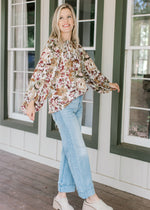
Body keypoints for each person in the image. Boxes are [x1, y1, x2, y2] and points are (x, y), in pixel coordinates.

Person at [21, 3, 120, 210]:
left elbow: (91, 71)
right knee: (79, 150)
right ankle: (90, 198)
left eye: (68, 17)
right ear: (56, 23)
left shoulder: (77, 48)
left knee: (69, 150)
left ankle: (61, 197)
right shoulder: (52, 45)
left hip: (76, 104)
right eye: (61, 18)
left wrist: (106, 84)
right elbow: (40, 74)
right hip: (61, 106)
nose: (65, 21)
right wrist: (31, 101)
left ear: (73, 21)